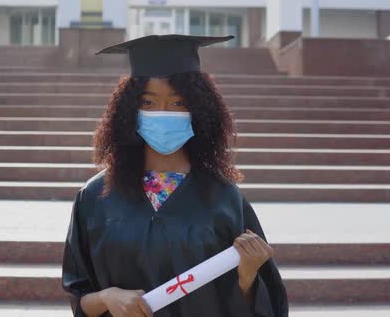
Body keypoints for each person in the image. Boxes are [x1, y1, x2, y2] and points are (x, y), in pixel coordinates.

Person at [62, 34, 289, 317]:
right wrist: (107, 297)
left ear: (200, 110)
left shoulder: (224, 198)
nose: (163, 113)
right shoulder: (96, 196)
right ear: (129, 110)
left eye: (179, 103)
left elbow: (264, 306)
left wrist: (247, 277)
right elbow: (79, 295)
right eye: (149, 102)